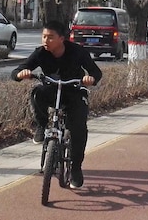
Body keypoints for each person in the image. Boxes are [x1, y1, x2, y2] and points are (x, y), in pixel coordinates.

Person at [11, 19, 102, 189]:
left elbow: (96, 72)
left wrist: (90, 79)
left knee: (78, 129)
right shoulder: (40, 53)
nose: (45, 40)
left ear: (62, 38)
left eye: (50, 37)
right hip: (52, 91)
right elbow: (17, 71)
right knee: (37, 93)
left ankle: (75, 169)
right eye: (44, 36)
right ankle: (41, 126)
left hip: (74, 92)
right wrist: (21, 74)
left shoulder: (78, 52)